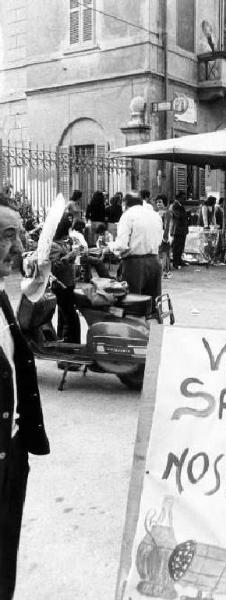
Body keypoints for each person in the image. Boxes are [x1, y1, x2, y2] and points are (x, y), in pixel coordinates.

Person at [0, 199, 50, 599]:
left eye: (18, 234)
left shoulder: (1, 292)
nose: (19, 246)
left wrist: (30, 295)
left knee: (4, 556)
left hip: (12, 450)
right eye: (6, 236)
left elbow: (12, 348)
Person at [111, 192, 163, 300]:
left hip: (135, 264)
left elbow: (121, 245)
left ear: (125, 204)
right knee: (153, 302)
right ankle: (153, 316)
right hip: (155, 262)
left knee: (133, 302)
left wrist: (111, 247)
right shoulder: (154, 215)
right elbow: (159, 240)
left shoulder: (128, 215)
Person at [49, 216, 81, 344]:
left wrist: (73, 254)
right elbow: (53, 267)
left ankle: (63, 342)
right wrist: (69, 257)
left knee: (64, 317)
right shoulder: (54, 245)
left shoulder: (65, 242)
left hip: (69, 283)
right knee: (71, 318)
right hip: (61, 285)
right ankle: (70, 344)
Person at [169, 191, 189, 270]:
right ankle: (175, 263)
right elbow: (178, 215)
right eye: (183, 198)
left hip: (181, 229)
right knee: (177, 247)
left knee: (181, 246)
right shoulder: (175, 205)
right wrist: (187, 213)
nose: (184, 200)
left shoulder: (179, 205)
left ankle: (179, 260)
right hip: (177, 229)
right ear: (179, 198)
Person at [156, 195, 172, 279]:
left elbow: (167, 225)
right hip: (158, 234)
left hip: (164, 234)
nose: (158, 204)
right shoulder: (157, 213)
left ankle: (165, 272)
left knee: (164, 254)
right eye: (157, 202)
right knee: (161, 253)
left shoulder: (167, 212)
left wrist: (165, 236)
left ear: (164, 203)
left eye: (160, 202)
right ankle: (165, 271)